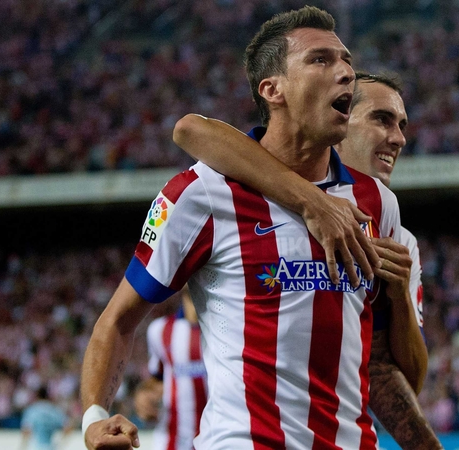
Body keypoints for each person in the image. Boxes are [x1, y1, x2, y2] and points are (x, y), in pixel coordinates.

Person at [81, 6, 406, 449]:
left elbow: (381, 357)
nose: (346, 72)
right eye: (320, 59)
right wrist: (94, 418)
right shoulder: (200, 195)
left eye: (346, 60)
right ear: (272, 89)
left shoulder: (378, 204)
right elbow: (118, 320)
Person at [172, 72, 440, 448]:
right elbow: (191, 131)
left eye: (401, 125)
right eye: (381, 119)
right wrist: (309, 200)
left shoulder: (395, 234)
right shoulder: (252, 191)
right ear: (339, 120)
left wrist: (398, 296)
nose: (398, 138)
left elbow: (392, 375)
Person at [134, 289, 207, 450]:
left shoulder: (228, 330)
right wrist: (143, 396)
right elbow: (159, 379)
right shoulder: (159, 330)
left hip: (218, 440)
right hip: (172, 442)